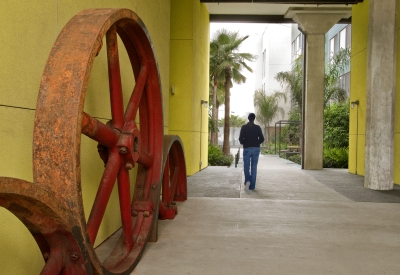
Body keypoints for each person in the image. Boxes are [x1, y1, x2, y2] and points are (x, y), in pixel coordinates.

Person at [239, 113, 264, 191]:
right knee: (254, 167)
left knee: (246, 166)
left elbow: (240, 139)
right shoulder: (257, 128)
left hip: (247, 149)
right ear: (254, 119)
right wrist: (256, 143)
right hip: (256, 149)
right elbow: (262, 138)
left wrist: (245, 142)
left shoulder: (244, 127)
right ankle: (252, 186)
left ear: (248, 118)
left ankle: (247, 181)